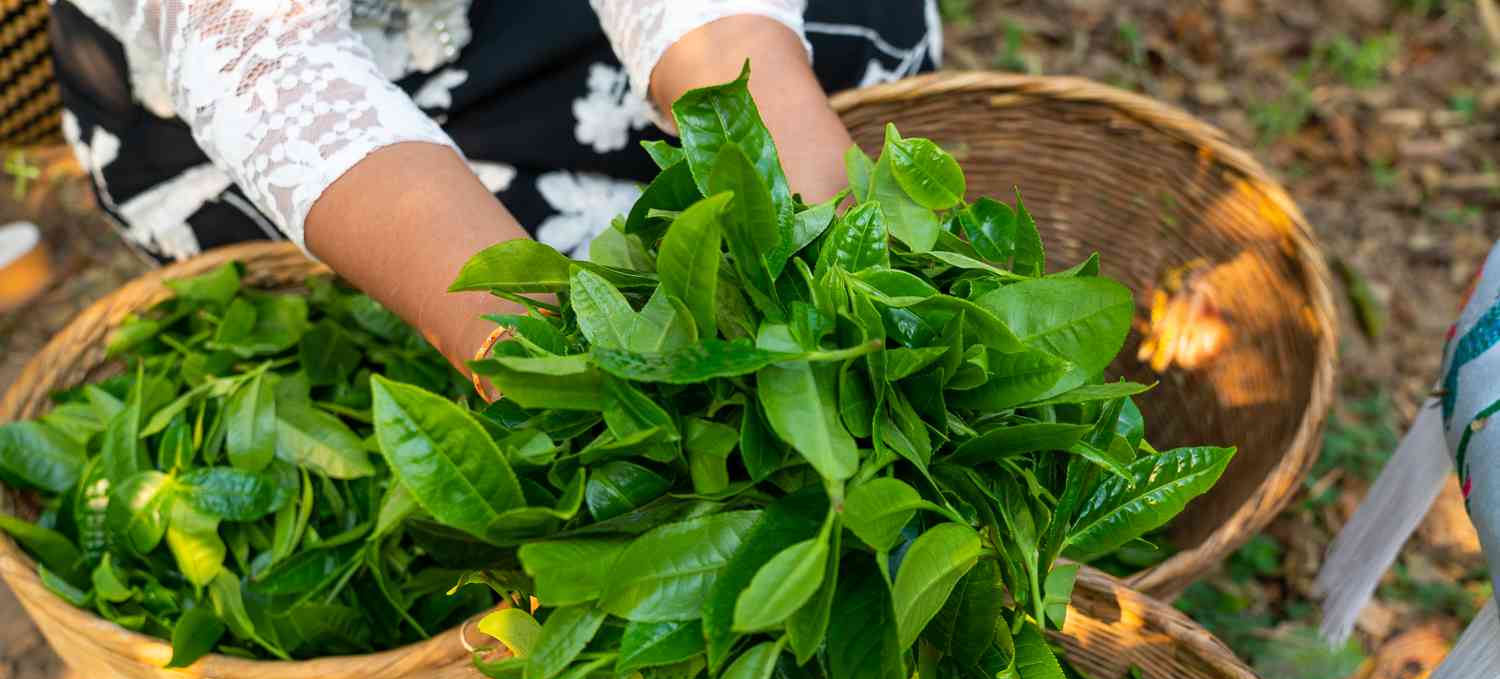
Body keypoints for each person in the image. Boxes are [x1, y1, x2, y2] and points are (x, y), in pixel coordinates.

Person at [48, 1, 942, 378]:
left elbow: (740, 85)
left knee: (853, 52)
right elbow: (267, 61)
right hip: (260, 55)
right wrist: (526, 349)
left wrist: (773, 159)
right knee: (341, 332)